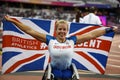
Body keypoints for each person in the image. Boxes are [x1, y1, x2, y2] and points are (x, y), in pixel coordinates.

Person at [4, 15, 118, 80]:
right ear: (56, 30)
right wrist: (12, 21)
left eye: (64, 29)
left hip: (68, 72)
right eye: (60, 29)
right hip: (54, 72)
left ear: (67, 31)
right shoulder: (50, 40)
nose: (62, 31)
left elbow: (92, 35)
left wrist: (108, 29)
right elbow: (29, 30)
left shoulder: (72, 40)